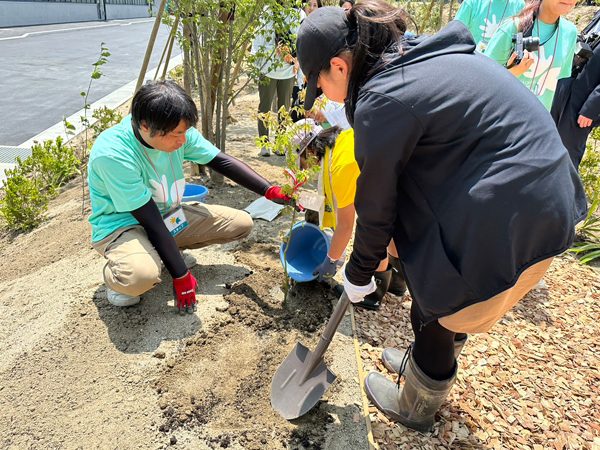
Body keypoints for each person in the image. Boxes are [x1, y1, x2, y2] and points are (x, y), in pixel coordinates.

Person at [296, 2, 586, 433]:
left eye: (318, 85)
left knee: (435, 309)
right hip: (553, 199)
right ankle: (426, 361)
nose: (323, 95)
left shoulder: (381, 99)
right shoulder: (427, 55)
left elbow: (375, 208)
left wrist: (358, 274)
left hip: (514, 214)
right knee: (430, 279)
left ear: (338, 66)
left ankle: (416, 405)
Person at [88, 81, 295, 313]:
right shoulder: (114, 154)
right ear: (145, 126)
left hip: (168, 216)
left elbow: (221, 161)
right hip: (123, 226)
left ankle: (161, 253)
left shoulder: (174, 128)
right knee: (140, 277)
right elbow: (151, 221)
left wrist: (269, 190)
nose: (183, 140)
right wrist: (180, 274)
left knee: (242, 223)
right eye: (177, 134)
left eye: (185, 132)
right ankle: (120, 279)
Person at [293, 120, 407, 310]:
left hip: (394, 186)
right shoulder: (342, 140)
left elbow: (346, 225)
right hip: (395, 178)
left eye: (303, 163)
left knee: (373, 231)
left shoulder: (340, 167)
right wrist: (301, 199)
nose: (305, 169)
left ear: (311, 151)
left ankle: (372, 296)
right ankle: (396, 283)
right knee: (387, 226)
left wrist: (330, 261)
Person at [485, 0, 578, 111]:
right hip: (502, 117)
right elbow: (482, 79)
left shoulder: (570, 32)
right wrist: (512, 72)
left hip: (537, 121)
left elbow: (560, 80)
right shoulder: (513, 27)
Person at [252, 1, 305, 156]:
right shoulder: (267, 13)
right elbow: (258, 40)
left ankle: (280, 143)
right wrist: (257, 68)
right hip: (267, 69)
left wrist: (297, 64)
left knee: (284, 107)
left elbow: (300, 41)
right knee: (265, 107)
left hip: (288, 70)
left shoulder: (299, 14)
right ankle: (264, 143)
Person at [551, 33, 600, 169]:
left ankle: (565, 190)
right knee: (543, 146)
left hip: (581, 105)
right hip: (563, 86)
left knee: (566, 159)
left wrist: (591, 109)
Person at [454, 0, 525, 53]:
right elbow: (454, 37)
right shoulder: (472, 3)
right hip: (472, 64)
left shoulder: (520, 6)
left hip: (502, 68)